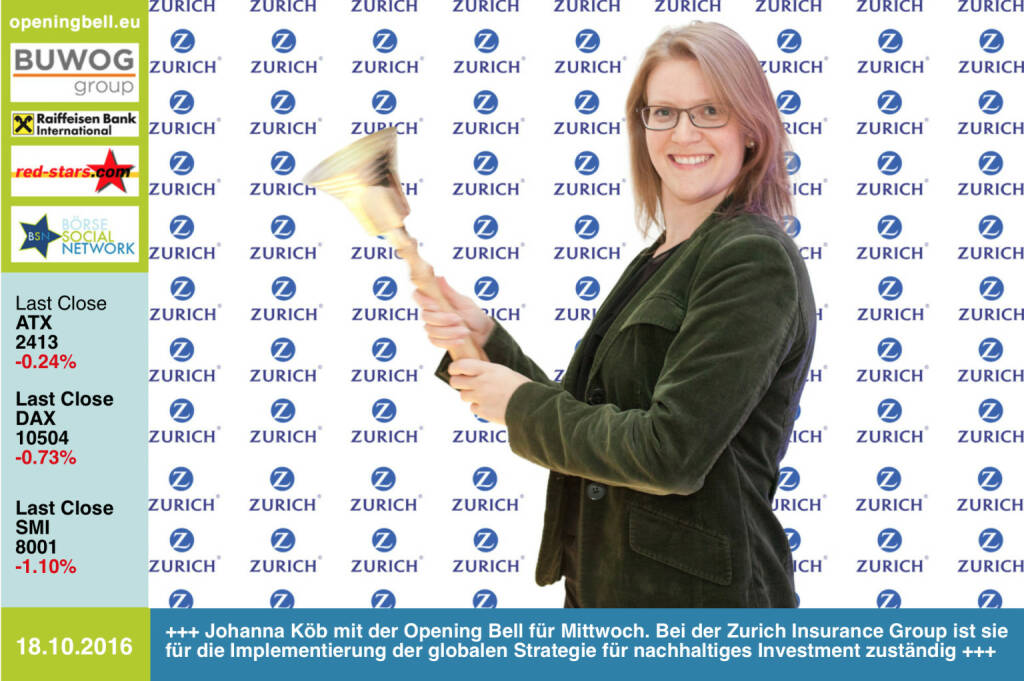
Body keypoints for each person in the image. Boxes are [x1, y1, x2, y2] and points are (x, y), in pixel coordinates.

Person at [414, 21, 816, 608]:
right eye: (664, 112)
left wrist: (517, 405)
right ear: (642, 126)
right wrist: (487, 340)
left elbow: (669, 453)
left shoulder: (751, 258)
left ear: (751, 129)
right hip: (608, 593)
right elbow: (593, 414)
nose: (683, 133)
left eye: (710, 111)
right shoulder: (660, 258)